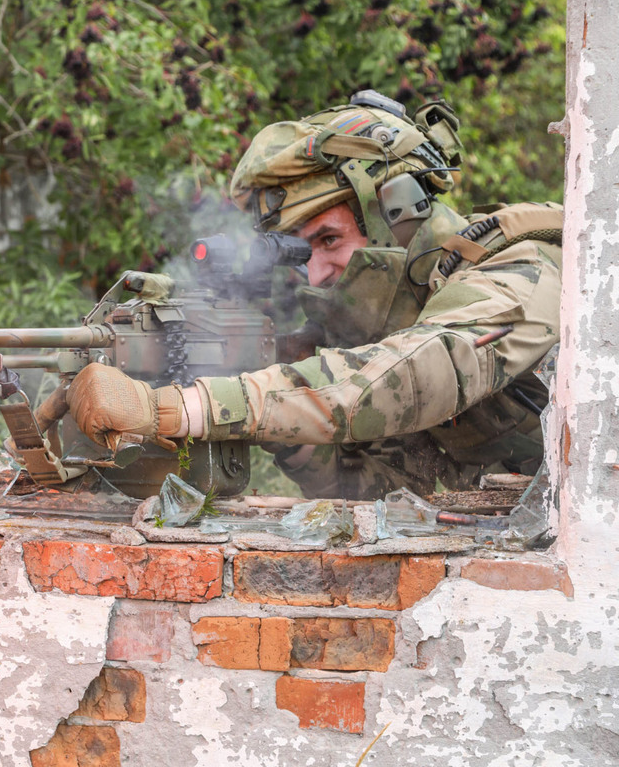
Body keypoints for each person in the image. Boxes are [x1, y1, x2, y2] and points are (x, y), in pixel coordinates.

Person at [66, 90, 562, 499]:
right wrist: (275, 421)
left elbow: (425, 369)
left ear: (399, 211)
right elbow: (382, 493)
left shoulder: (516, 267)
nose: (317, 274)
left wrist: (192, 407)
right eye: (302, 254)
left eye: (329, 240)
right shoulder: (383, 324)